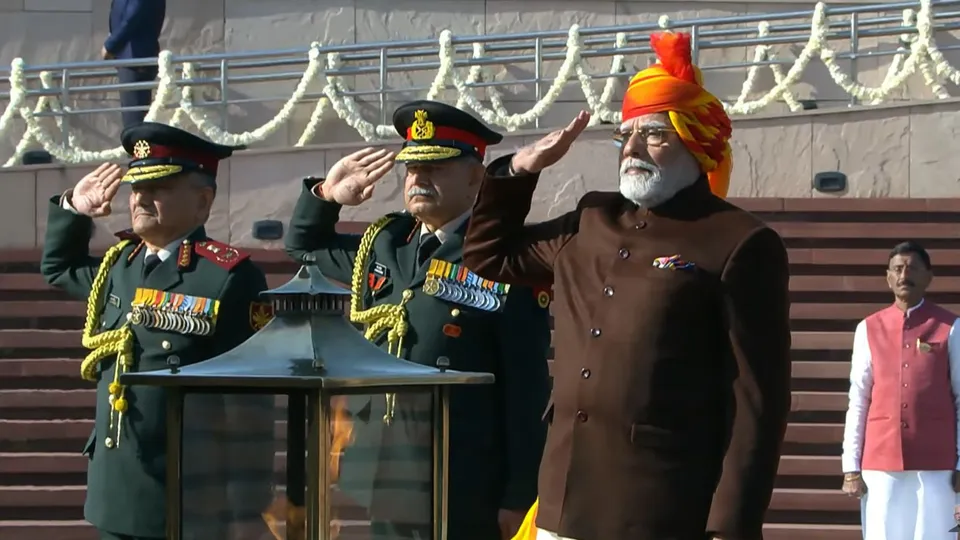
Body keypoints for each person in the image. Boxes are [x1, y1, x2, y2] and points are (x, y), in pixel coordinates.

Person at [461, 31, 792, 540]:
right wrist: (518, 170)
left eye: (653, 134)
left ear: (695, 142)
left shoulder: (740, 241)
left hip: (660, 511)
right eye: (624, 136)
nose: (631, 149)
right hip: (561, 504)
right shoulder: (592, 218)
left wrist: (731, 526)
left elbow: (755, 404)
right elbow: (488, 254)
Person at [283, 100, 551, 540]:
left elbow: (526, 389)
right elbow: (303, 248)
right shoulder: (385, 242)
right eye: (411, 168)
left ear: (475, 177)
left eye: (435, 168)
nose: (418, 179)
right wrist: (327, 197)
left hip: (463, 478)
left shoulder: (500, 257)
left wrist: (520, 492)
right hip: (386, 474)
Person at [40, 122, 275, 540]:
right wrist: (73, 208)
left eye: (161, 187)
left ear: (203, 202)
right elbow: (59, 267)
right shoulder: (118, 267)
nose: (141, 198)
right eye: (137, 187)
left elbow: (249, 403)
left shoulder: (226, 277)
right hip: (116, 487)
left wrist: (247, 504)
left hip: (187, 496)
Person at [841, 241, 960, 540]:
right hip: (881, 460)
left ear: (929, 276)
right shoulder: (868, 328)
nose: (905, 274)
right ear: (888, 277)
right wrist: (850, 466)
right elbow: (858, 398)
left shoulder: (951, 327)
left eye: (913, 268)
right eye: (898, 268)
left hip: (938, 462)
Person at [104, 0, 166, 127]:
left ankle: (136, 147)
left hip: (134, 57)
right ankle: (137, 145)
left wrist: (111, 45)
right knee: (134, 121)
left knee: (134, 124)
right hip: (131, 57)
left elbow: (132, 17)